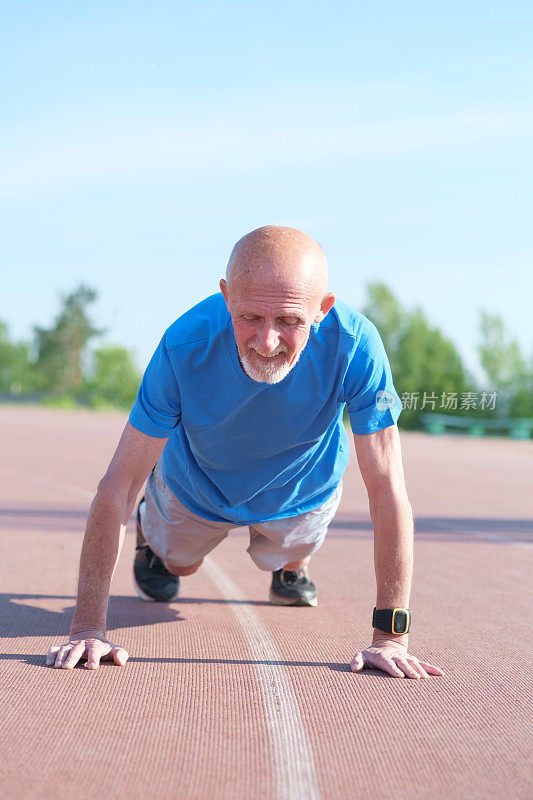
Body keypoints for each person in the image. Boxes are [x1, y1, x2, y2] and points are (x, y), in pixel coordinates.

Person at [46, 225, 445, 680]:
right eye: (251, 317)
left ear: (323, 309)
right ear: (226, 296)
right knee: (180, 567)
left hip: (302, 487)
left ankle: (291, 565)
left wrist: (391, 637)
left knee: (292, 551)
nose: (267, 341)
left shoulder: (358, 347)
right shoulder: (182, 346)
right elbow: (118, 484)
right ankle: (156, 542)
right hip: (198, 484)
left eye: (290, 321)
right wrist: (87, 627)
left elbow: (387, 487)